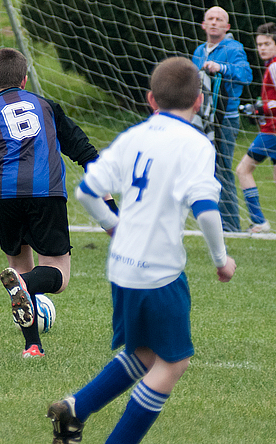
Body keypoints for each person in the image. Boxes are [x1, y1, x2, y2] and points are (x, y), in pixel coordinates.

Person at [47, 56, 237, 444]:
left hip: (122, 267)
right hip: (159, 269)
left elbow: (87, 191)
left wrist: (115, 227)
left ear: (151, 99)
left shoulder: (133, 137)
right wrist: (222, 259)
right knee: (174, 362)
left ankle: (75, 408)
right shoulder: (196, 145)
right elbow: (204, 209)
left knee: (146, 354)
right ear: (199, 102)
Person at [0, 47, 115, 358]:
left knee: (19, 267)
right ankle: (24, 286)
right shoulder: (47, 107)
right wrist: (109, 204)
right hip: (46, 193)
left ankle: (33, 345)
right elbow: (86, 154)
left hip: (4, 198)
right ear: (24, 80)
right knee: (57, 276)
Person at [191, 6, 252, 232]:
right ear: (203, 25)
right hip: (202, 119)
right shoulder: (199, 51)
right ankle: (208, 220)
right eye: (210, 19)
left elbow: (246, 75)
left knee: (222, 169)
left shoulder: (233, 48)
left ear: (227, 27)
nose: (214, 22)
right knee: (201, 169)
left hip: (225, 119)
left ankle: (231, 226)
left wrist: (222, 68)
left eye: (220, 19)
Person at [235, 22, 276, 234]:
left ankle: (259, 222)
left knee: (243, 170)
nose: (262, 48)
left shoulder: (274, 67)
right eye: (259, 44)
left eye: (267, 44)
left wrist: (261, 108)